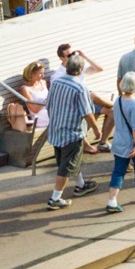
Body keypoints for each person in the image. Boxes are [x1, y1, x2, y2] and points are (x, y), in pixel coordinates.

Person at [45, 56, 104, 208]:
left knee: (70, 162)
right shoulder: (80, 87)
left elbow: (49, 105)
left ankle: (81, 185)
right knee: (66, 167)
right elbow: (87, 112)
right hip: (72, 133)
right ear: (80, 70)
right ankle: (55, 198)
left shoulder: (56, 83)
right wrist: (97, 130)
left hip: (56, 130)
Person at [102, 71, 135, 214]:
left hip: (119, 141)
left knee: (118, 171)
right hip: (133, 143)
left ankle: (112, 201)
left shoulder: (118, 100)